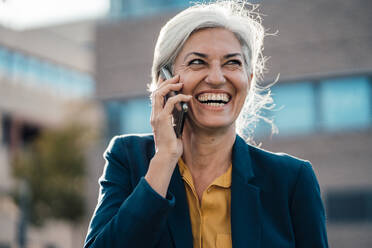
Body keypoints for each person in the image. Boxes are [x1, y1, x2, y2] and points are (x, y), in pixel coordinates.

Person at [84, 1, 329, 247]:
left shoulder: (291, 180)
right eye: (197, 62)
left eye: (232, 63)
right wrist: (165, 160)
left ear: (249, 79)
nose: (216, 78)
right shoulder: (128, 160)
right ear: (165, 81)